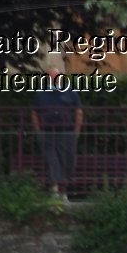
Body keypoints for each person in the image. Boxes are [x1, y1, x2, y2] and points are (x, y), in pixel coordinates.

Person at [31, 55, 83, 197]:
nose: (54, 80)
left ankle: (63, 190)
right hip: (48, 131)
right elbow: (35, 113)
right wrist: (38, 130)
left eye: (56, 78)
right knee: (51, 159)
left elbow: (78, 112)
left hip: (66, 131)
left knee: (67, 160)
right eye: (52, 78)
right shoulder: (41, 94)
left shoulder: (70, 92)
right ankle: (55, 188)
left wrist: (76, 131)